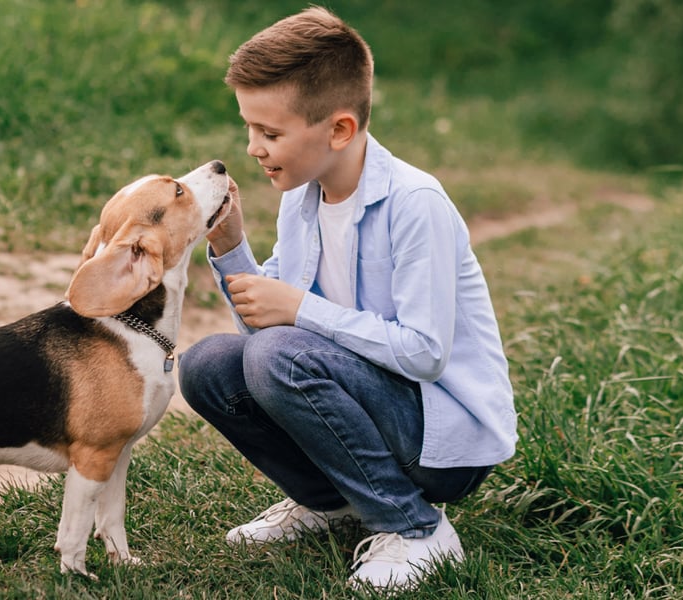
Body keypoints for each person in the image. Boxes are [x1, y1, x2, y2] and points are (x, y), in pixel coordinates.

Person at [178, 6, 517, 591]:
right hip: (369, 403)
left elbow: (425, 353)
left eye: (272, 132)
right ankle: (330, 502)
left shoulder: (416, 204)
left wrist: (301, 309)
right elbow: (266, 330)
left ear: (339, 129)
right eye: (250, 129)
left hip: (440, 440)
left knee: (276, 356)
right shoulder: (302, 199)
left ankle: (417, 529)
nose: (254, 148)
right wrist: (232, 248)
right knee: (207, 365)